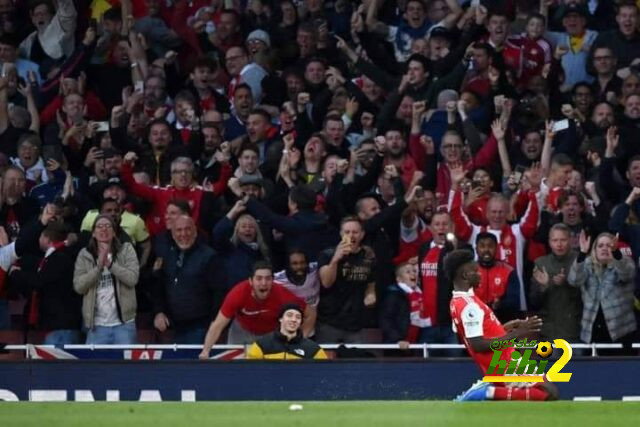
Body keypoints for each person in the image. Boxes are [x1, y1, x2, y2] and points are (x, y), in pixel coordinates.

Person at [445, 249, 558, 401]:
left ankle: (491, 391)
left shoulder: (458, 301)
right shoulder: (468, 306)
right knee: (548, 393)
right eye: (476, 271)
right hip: (502, 363)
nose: (480, 275)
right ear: (466, 275)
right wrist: (517, 333)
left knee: (548, 389)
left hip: (505, 358)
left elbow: (480, 333)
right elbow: (478, 344)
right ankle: (487, 392)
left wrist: (504, 328)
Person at [199, 261, 310, 359]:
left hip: (270, 334)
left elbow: (311, 313)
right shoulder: (238, 293)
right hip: (241, 332)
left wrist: (299, 341)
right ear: (251, 281)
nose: (263, 283)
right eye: (259, 278)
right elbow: (218, 325)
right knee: (234, 371)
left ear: (272, 280)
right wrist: (205, 351)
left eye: (268, 278)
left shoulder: (281, 294)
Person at [73, 214, 140, 344]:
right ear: (93, 233)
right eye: (99, 226)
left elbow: (132, 278)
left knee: (128, 364)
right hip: (97, 326)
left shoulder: (126, 250)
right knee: (94, 363)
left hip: (124, 324)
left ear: (114, 232)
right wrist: (98, 268)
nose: (104, 229)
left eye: (108, 226)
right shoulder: (84, 254)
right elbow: (79, 287)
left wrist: (110, 265)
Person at [568, 231, 637, 355]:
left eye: (609, 245)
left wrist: (616, 254)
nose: (605, 248)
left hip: (620, 333)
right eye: (600, 246)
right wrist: (582, 253)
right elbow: (574, 280)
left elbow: (627, 274)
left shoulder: (624, 262)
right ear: (594, 250)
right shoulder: (587, 264)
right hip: (591, 333)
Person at [316, 216, 376, 343]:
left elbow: (371, 283)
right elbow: (326, 283)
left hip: (355, 323)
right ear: (340, 233)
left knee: (356, 361)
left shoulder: (369, 256)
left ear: (362, 234)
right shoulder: (327, 254)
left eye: (355, 232)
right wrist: (336, 259)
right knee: (326, 361)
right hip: (330, 321)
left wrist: (371, 294)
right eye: (347, 232)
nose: (351, 236)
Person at [246, 303, 327, 360]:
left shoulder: (313, 350)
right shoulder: (261, 346)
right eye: (289, 315)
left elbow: (322, 375)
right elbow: (251, 373)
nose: (294, 320)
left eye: (298, 317)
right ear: (280, 319)